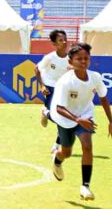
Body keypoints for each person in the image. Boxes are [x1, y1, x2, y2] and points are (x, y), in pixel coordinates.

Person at [50, 43, 112, 201]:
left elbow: (104, 98)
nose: (83, 61)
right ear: (70, 61)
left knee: (87, 146)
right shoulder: (65, 81)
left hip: (85, 114)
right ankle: (57, 160)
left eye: (86, 58)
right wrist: (78, 119)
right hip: (64, 118)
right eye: (79, 59)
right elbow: (59, 108)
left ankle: (85, 186)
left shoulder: (95, 77)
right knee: (67, 152)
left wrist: (111, 121)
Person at [35, 29, 70, 152]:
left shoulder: (71, 59)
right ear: (54, 44)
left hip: (64, 89)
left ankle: (56, 146)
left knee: (66, 119)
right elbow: (37, 69)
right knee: (58, 117)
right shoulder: (49, 58)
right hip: (50, 87)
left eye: (65, 39)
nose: (65, 42)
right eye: (61, 40)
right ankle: (46, 112)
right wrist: (42, 86)